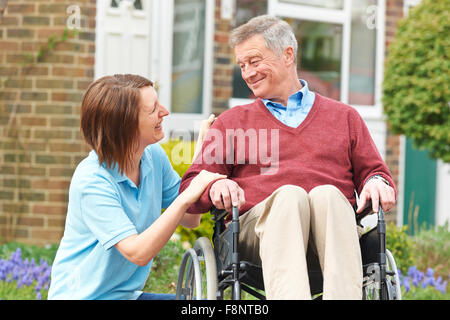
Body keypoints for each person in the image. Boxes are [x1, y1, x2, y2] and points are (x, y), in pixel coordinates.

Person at [179, 15, 397, 300]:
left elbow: (375, 172)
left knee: (328, 196)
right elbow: (191, 186)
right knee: (290, 196)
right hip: (256, 237)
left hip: (332, 233)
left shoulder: (345, 117)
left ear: (287, 55)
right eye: (242, 65)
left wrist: (377, 182)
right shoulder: (231, 122)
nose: (246, 73)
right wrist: (213, 186)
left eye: (254, 61)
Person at [48, 74, 224, 300]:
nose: (165, 112)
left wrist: (203, 152)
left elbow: (191, 218)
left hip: (125, 296)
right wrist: (186, 195)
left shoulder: (153, 157)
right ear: (125, 125)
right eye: (153, 110)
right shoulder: (92, 180)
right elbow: (138, 252)